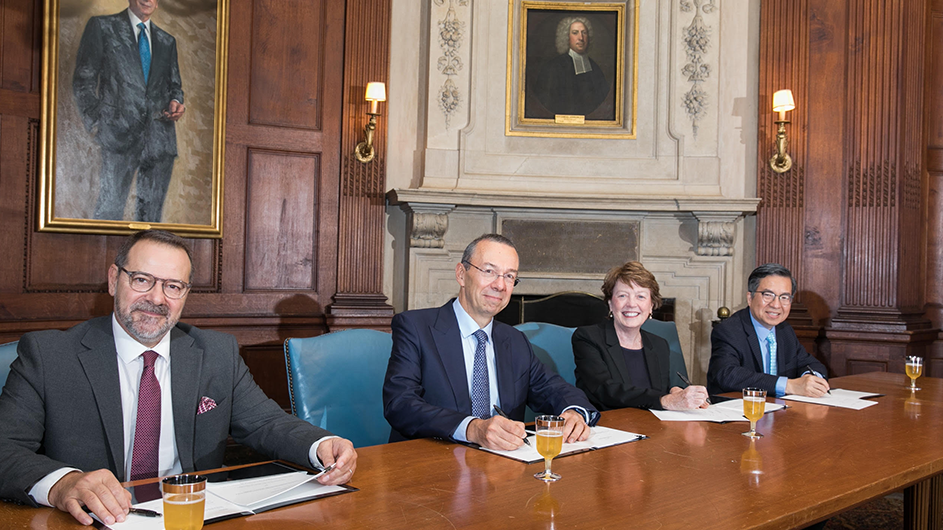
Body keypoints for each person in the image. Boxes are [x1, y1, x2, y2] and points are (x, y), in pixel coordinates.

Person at [0, 230, 357, 526]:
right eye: (142, 280)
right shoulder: (49, 356)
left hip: (194, 517)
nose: (157, 298)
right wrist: (64, 484)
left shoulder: (215, 353)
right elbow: (5, 448)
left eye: (173, 286)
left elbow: (264, 422)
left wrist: (320, 445)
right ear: (113, 279)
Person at [383, 234, 599, 451]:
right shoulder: (416, 327)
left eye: (509, 276)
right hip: (432, 462)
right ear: (461, 274)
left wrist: (574, 413)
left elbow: (554, 389)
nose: (500, 285)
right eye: (489, 271)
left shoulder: (514, 340)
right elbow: (400, 404)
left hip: (503, 468)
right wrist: (473, 429)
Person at [73, 0, 186, 223]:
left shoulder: (167, 41)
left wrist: (176, 101)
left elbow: (175, 86)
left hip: (159, 141)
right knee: (108, 214)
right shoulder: (102, 27)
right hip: (117, 136)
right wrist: (96, 122)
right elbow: (83, 80)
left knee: (150, 222)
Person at [573, 261, 709, 411]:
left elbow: (656, 392)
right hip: (609, 426)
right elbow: (604, 390)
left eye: (641, 297)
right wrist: (665, 400)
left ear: (651, 306)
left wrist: (674, 392)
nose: (631, 304)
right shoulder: (587, 338)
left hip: (653, 426)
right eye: (623, 295)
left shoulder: (659, 344)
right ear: (611, 304)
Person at [707, 263, 829, 397]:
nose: (776, 305)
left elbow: (811, 364)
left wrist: (810, 380)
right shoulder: (729, 330)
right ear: (750, 298)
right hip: (738, 411)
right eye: (768, 295)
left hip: (779, 411)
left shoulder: (784, 330)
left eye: (784, 297)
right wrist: (789, 386)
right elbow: (727, 374)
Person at [532, 16, 611, 117]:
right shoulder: (554, 67)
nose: (581, 38)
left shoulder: (594, 67)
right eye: (575, 33)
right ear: (566, 37)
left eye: (584, 33)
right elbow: (547, 102)